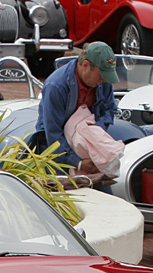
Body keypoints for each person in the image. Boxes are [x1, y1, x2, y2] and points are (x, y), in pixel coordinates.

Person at [34, 42, 124, 180]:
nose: (104, 80)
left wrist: (94, 132)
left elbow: (109, 109)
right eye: (101, 75)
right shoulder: (56, 86)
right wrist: (78, 163)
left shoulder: (103, 81)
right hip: (57, 151)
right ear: (85, 65)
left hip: (88, 146)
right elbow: (52, 133)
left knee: (104, 191)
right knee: (69, 195)